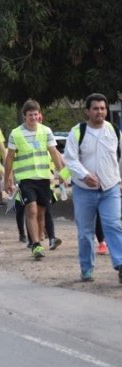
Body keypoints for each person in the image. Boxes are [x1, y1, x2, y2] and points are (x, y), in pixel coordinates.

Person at [63, 92, 122, 283]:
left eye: (103, 108)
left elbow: (118, 158)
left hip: (110, 189)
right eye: (95, 108)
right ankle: (86, 269)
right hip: (84, 190)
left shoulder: (114, 130)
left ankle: (120, 264)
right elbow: (70, 159)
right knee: (85, 232)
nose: (100, 112)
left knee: (113, 225)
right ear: (88, 111)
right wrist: (84, 175)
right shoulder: (77, 132)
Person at [3, 99, 64, 259]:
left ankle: (39, 240)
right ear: (25, 116)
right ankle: (36, 245)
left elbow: (54, 152)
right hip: (26, 179)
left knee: (41, 213)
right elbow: (9, 157)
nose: (33, 117)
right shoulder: (16, 133)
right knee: (31, 209)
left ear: (39, 115)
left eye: (36, 114)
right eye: (30, 115)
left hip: (43, 178)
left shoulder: (46, 131)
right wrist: (7, 178)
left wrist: (62, 173)